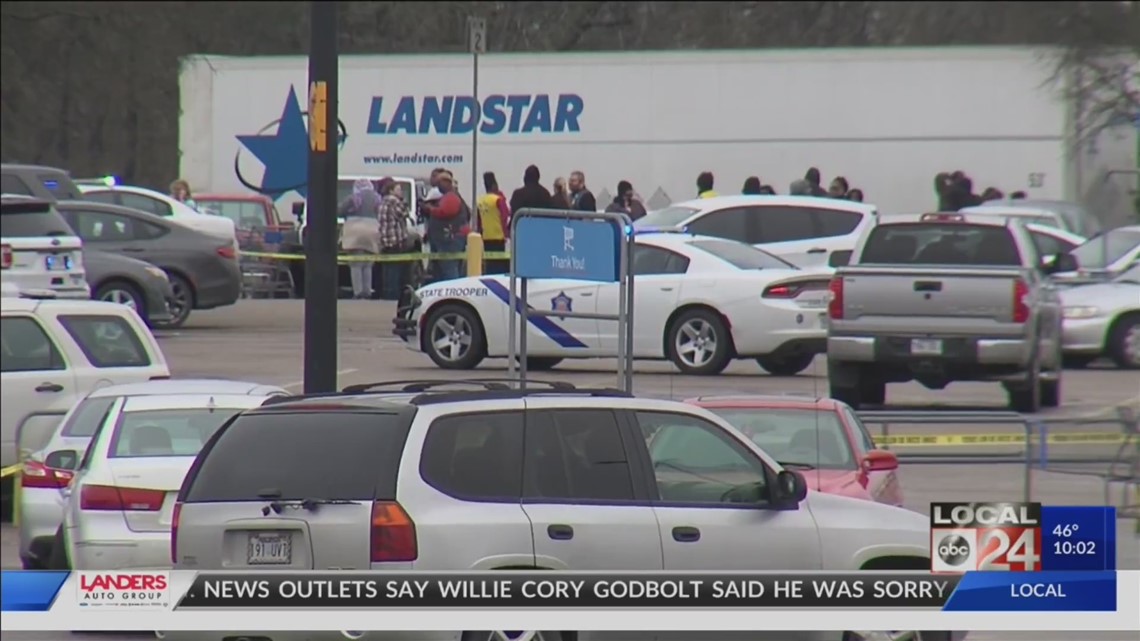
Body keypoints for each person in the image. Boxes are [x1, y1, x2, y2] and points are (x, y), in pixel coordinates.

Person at [421, 170, 470, 282]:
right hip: (446, 240)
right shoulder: (448, 197)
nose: (438, 187)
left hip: (450, 241)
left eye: (440, 183)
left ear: (447, 183)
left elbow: (446, 211)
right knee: (444, 269)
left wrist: (430, 209)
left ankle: (454, 291)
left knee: (450, 269)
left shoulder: (451, 197)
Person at [338, 178, 382, 299]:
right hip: (373, 230)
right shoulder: (377, 198)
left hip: (354, 231)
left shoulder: (353, 197)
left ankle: (358, 292)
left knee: (356, 264)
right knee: (368, 263)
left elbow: (340, 211)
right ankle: (367, 291)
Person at [375, 177, 411, 300]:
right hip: (395, 241)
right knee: (395, 273)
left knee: (387, 272)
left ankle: (387, 295)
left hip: (385, 241)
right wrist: (404, 202)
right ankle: (393, 297)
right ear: (391, 191)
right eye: (398, 189)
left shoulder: (382, 202)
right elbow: (404, 213)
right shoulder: (394, 202)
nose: (401, 192)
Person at [478, 171, 511, 274]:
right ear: (494, 185)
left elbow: (479, 221)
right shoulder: (498, 200)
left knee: (490, 264)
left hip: (486, 237)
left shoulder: (480, 201)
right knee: (499, 265)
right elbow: (505, 216)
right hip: (498, 236)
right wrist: (506, 234)